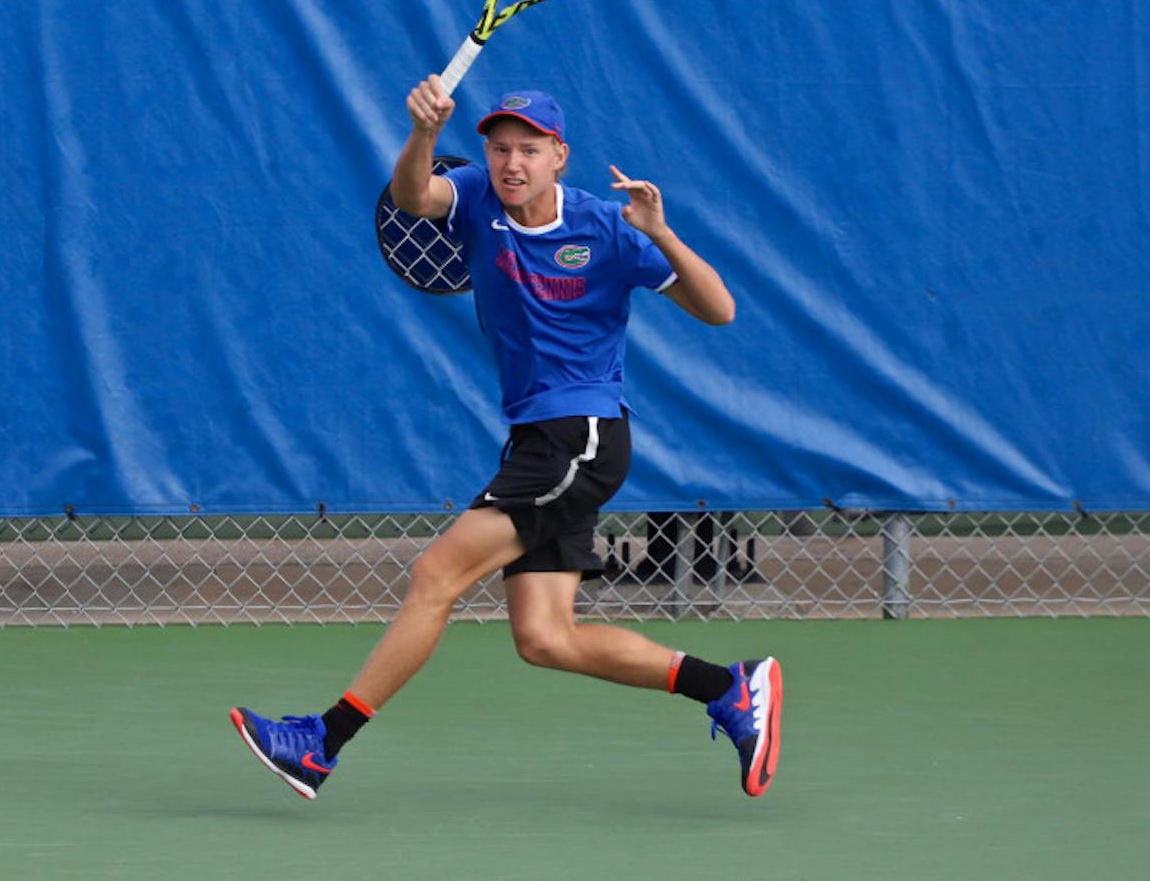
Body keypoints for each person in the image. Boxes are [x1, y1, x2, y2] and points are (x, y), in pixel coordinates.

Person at [230, 75, 782, 800]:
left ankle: (322, 743)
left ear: (560, 156)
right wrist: (425, 131)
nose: (511, 163)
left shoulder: (607, 230)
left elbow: (719, 308)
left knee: (437, 574)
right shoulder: (476, 201)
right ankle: (731, 689)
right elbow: (411, 199)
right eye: (498, 149)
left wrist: (660, 233)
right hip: (537, 441)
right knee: (545, 637)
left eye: (528, 150)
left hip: (580, 436)